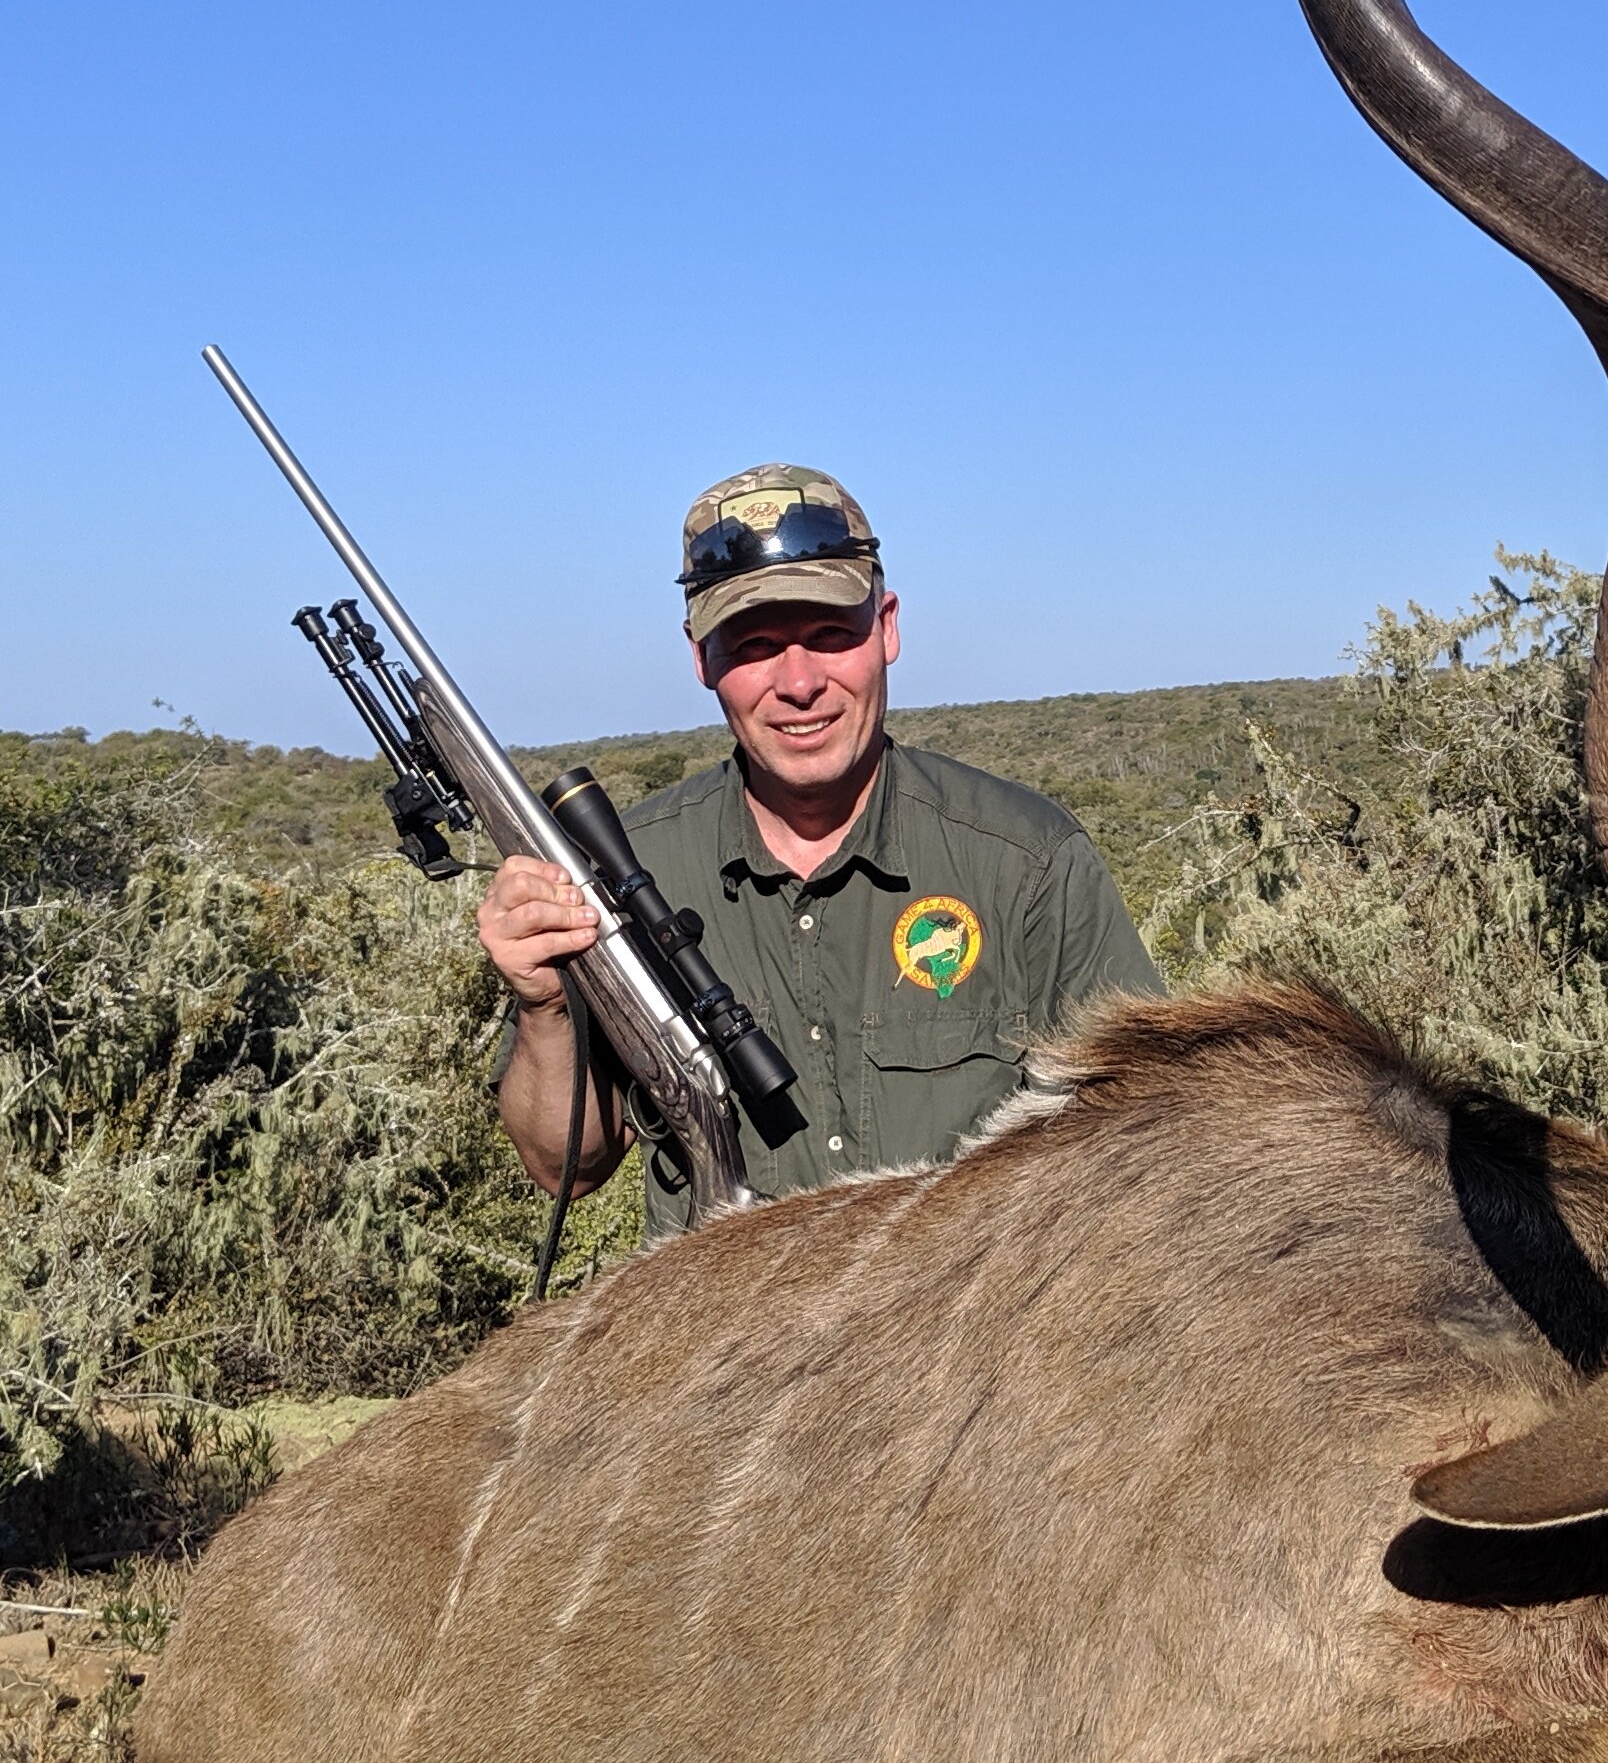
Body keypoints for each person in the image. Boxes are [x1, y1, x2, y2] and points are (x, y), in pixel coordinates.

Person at [479, 462, 1163, 1234]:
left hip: (970, 1343)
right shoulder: (621, 872)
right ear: (701, 658)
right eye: (755, 644)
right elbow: (562, 1166)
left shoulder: (1027, 859)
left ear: (889, 627)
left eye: (831, 634)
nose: (799, 683)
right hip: (715, 1341)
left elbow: (1150, 1144)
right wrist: (543, 1008)